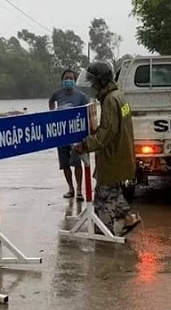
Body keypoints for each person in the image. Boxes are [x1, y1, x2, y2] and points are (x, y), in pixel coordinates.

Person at [73, 61, 142, 236]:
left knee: (103, 195)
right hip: (121, 152)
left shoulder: (110, 100)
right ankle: (128, 218)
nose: (93, 85)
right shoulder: (118, 95)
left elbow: (106, 133)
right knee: (110, 191)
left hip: (113, 156)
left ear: (102, 81)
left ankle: (103, 233)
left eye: (94, 81)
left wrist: (86, 144)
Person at [48, 69, 89, 200]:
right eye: (66, 78)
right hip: (61, 135)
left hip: (76, 136)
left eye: (71, 78)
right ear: (63, 80)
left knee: (77, 162)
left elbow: (87, 111)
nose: (68, 81)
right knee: (65, 164)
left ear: (74, 80)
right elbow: (51, 101)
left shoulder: (81, 96)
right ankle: (70, 188)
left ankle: (79, 190)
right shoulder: (57, 94)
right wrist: (52, 112)